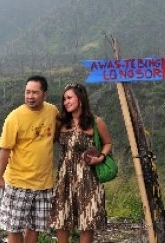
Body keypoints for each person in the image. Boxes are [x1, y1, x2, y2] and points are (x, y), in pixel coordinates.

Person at [0, 75, 59, 243]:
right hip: (18, 182)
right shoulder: (14, 117)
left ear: (45, 94)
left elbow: (57, 136)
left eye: (35, 92)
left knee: (35, 227)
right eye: (27, 92)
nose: (30, 96)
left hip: (44, 184)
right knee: (14, 228)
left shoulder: (52, 111)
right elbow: (5, 151)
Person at [49, 83, 112, 243]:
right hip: (65, 177)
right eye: (64, 99)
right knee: (62, 220)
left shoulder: (96, 122)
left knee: (87, 221)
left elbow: (108, 143)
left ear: (81, 99)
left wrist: (101, 157)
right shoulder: (61, 123)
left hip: (88, 178)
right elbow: (48, 141)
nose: (66, 102)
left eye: (69, 98)